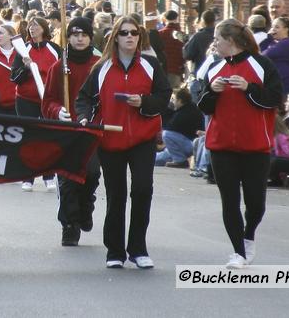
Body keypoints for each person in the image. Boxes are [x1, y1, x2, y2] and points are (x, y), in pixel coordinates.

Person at [75, 15, 170, 270]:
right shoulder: (102, 67)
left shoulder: (151, 65)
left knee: (142, 190)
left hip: (143, 138)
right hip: (111, 138)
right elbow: (84, 98)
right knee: (116, 195)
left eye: (135, 33)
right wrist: (84, 119)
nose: (130, 37)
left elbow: (164, 97)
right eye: (125, 33)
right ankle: (114, 250)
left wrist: (144, 103)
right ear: (115, 37)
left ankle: (138, 248)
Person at [197, 18, 283, 269]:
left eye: (218, 40)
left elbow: (274, 99)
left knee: (256, 203)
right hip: (221, 145)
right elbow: (202, 106)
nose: (214, 44)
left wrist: (249, 88)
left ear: (231, 41)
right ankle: (237, 252)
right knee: (230, 200)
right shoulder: (213, 68)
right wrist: (212, 90)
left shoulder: (262, 64)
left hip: (255, 145)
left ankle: (248, 235)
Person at [43, 15, 100, 247]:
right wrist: (58, 112)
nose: (79, 39)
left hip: (92, 131)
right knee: (67, 180)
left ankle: (86, 208)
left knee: (91, 174)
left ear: (90, 37)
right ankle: (69, 225)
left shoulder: (99, 64)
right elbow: (48, 102)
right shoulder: (59, 66)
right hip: (66, 131)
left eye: (84, 35)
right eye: (75, 34)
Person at [10, 16, 61, 191]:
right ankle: (28, 177)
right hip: (25, 100)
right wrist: (25, 67)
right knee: (29, 138)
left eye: (36, 26)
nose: (32, 29)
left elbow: (64, 75)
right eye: (30, 26)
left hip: (48, 101)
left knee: (47, 137)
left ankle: (48, 175)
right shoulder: (23, 50)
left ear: (44, 29)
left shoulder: (55, 50)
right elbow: (14, 77)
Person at [154, 88, 204, 168]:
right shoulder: (186, 109)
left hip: (192, 144)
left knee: (167, 134)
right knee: (159, 158)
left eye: (174, 99)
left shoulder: (186, 113)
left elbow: (170, 128)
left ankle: (179, 161)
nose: (172, 102)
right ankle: (143, 159)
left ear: (180, 101)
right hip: (182, 145)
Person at [262, 16, 289, 98]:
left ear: (286, 29)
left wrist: (268, 37)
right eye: (272, 27)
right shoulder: (274, 43)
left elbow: (265, 54)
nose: (273, 29)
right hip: (276, 82)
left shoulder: (288, 43)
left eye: (277, 27)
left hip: (286, 82)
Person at [183, 9, 217, 74]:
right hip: (216, 71)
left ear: (203, 21)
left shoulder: (198, 36)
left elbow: (188, 55)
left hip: (200, 70)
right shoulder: (220, 35)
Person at [158, 11, 185, 89]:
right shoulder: (181, 35)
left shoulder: (160, 34)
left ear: (165, 19)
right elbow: (184, 53)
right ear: (177, 18)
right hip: (176, 69)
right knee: (174, 95)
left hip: (162, 69)